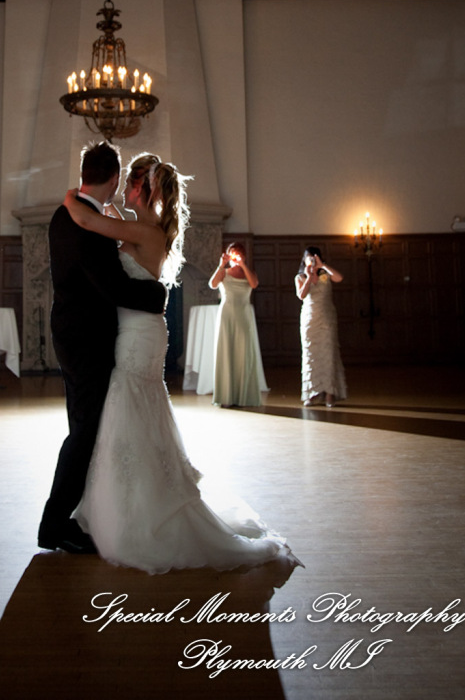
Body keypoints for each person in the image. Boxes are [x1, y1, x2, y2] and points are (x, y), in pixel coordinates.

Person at [62, 153, 302, 578]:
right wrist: (110, 206)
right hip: (139, 329)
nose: (123, 191)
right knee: (137, 411)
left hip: (138, 335)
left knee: (130, 408)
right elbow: (112, 223)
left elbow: (87, 222)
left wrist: (70, 197)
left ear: (141, 188)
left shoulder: (143, 229)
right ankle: (133, 500)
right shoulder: (142, 226)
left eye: (130, 184)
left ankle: (141, 512)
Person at [37, 142, 167, 554]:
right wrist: (159, 298)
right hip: (88, 342)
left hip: (72, 335)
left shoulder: (67, 214)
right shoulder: (85, 222)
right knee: (85, 432)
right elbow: (112, 288)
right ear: (113, 180)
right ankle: (55, 525)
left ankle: (73, 516)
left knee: (87, 427)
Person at [209, 242, 267, 407]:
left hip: (243, 315)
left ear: (244, 255)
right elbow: (212, 284)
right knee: (226, 351)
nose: (235, 256)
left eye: (238, 254)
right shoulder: (224, 272)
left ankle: (243, 396)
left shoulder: (249, 273)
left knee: (243, 353)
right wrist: (222, 265)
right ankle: (226, 396)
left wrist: (242, 265)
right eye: (232, 253)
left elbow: (254, 284)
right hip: (227, 315)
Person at [295, 246, 347, 408]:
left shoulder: (326, 274)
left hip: (327, 318)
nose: (311, 261)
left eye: (314, 258)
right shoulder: (300, 277)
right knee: (310, 355)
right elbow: (301, 295)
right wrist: (309, 277)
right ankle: (311, 393)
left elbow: (339, 278)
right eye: (308, 258)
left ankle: (330, 394)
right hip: (310, 319)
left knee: (328, 353)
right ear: (304, 260)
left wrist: (322, 265)